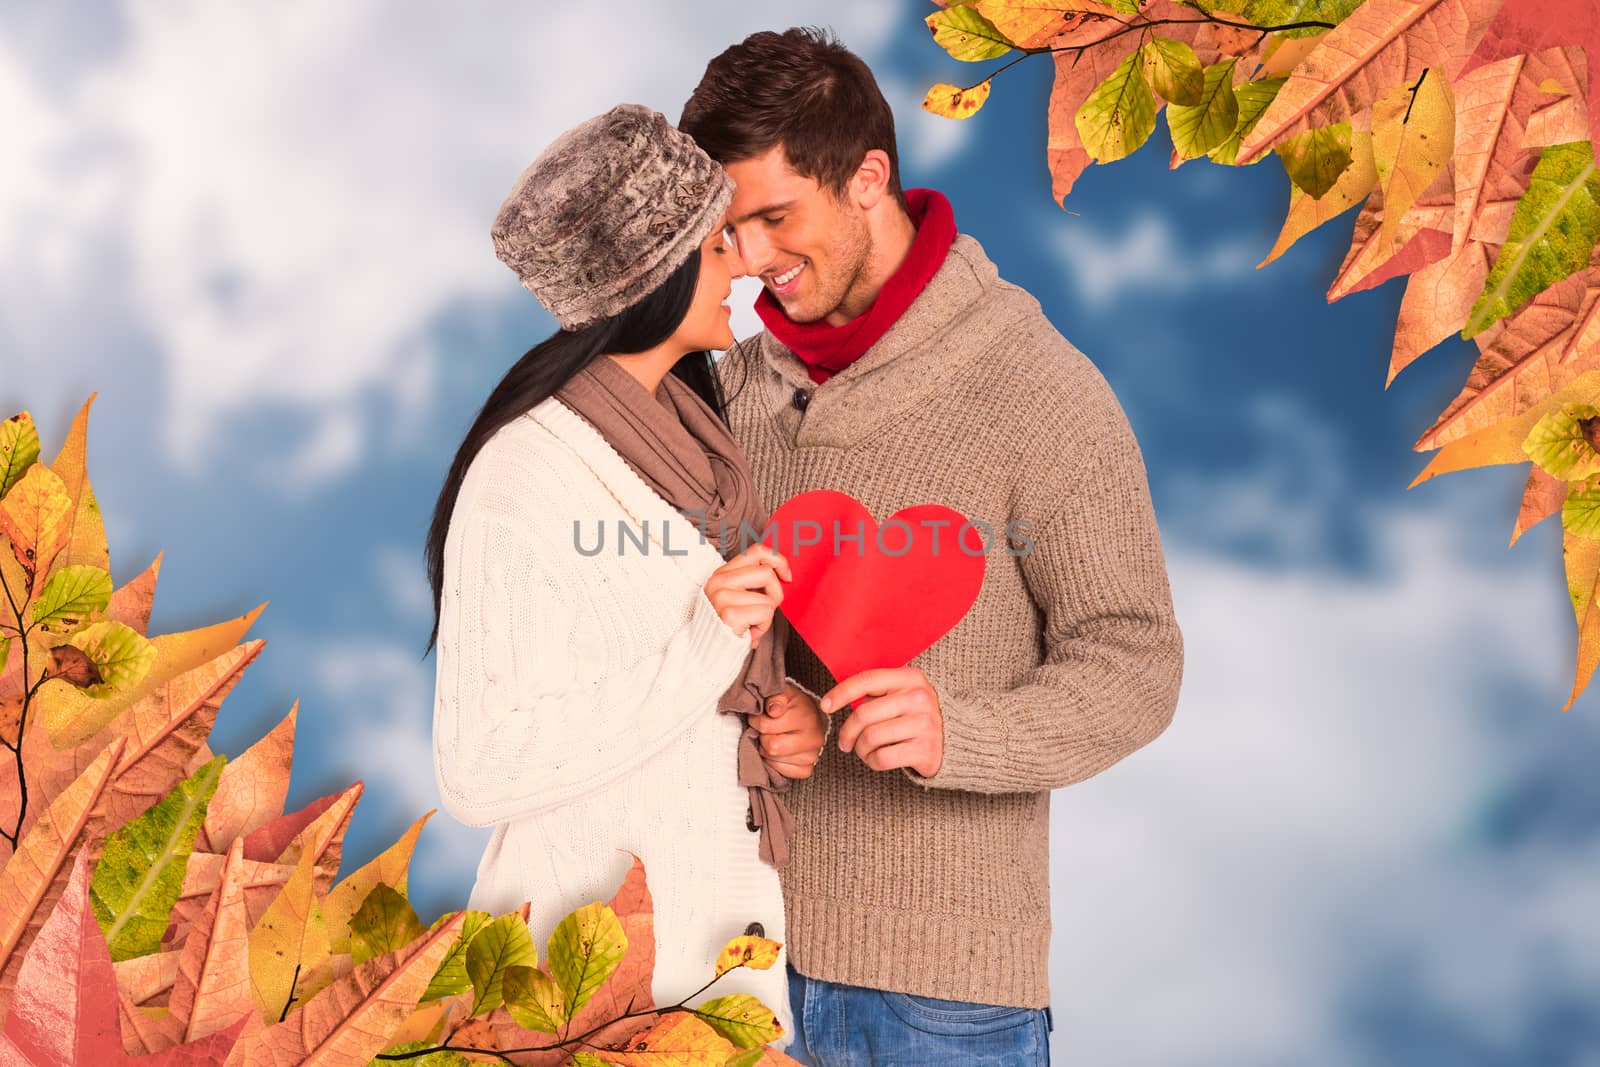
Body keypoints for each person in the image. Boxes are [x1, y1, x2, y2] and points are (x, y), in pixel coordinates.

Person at [679, 28, 1186, 1066]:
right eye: (734, 232)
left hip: (941, 995)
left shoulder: (1038, 390)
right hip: (724, 965)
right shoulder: (721, 394)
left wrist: (965, 733)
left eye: (776, 217)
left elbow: (1136, 656)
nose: (757, 261)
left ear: (869, 178)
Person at [424, 103, 829, 1050]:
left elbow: (684, 730)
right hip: (584, 980)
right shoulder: (528, 472)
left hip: (721, 968)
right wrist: (702, 648)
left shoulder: (704, 456)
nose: (744, 262)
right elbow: (478, 770)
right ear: (658, 272)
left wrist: (775, 727)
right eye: (718, 241)